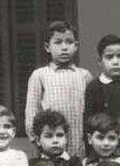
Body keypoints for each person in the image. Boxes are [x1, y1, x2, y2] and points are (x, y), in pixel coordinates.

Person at [25, 20, 93, 157]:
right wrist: (37, 141)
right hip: (50, 144)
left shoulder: (84, 75)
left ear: (76, 46)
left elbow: (92, 113)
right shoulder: (40, 75)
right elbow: (32, 113)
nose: (64, 47)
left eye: (69, 42)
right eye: (58, 42)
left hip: (79, 145)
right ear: (47, 47)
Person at [85, 34, 120, 154]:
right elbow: (88, 122)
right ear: (100, 61)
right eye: (109, 57)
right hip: (103, 147)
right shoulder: (94, 87)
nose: (115, 62)